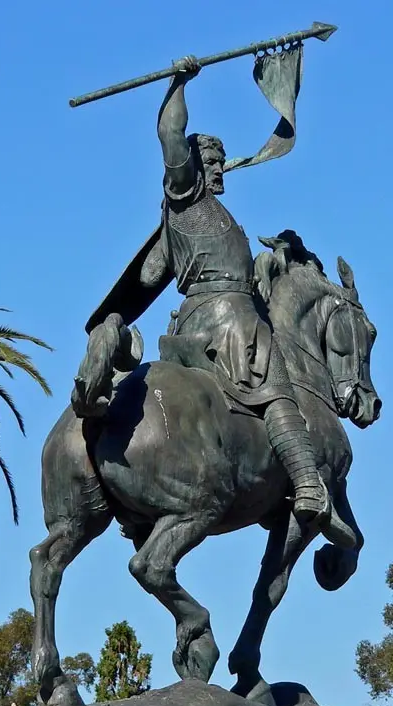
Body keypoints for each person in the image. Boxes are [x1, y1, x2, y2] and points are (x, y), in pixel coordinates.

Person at [140, 55, 330, 528]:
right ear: (192, 167)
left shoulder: (202, 218)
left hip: (196, 319)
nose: (220, 169)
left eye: (222, 161)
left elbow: (150, 276)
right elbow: (169, 136)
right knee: (279, 393)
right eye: (211, 161)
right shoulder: (186, 196)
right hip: (227, 322)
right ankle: (307, 480)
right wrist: (178, 84)